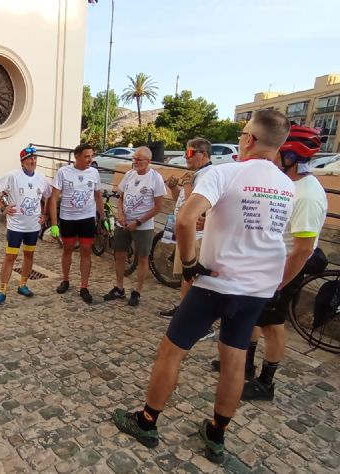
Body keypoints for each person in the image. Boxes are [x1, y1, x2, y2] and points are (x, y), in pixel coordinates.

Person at [112, 109, 295, 465]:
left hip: (216, 281)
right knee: (234, 361)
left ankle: (147, 421)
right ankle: (216, 435)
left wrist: (191, 264)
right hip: (256, 288)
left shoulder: (226, 173)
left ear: (250, 139)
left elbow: (184, 219)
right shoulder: (287, 186)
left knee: (172, 351)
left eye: (243, 133)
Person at [233, 126, 327, 401]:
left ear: (291, 158)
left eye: (277, 154)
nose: (272, 158)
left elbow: (303, 249)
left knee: (273, 325)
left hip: (285, 270)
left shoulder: (307, 195)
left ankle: (266, 382)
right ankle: (247, 366)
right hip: (267, 265)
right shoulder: (286, 184)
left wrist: (280, 283)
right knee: (254, 317)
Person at [103, 146, 165, 306]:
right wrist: (121, 215)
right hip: (123, 222)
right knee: (119, 254)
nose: (136, 162)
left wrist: (138, 222)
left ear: (148, 161)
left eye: (139, 159)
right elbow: (121, 198)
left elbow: (158, 207)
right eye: (134, 158)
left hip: (142, 226)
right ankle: (119, 287)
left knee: (143, 257)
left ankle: (137, 291)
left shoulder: (155, 178)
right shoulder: (130, 174)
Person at [0, 146, 52, 305]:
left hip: (33, 227)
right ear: (22, 162)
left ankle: (23, 285)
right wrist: (2, 208)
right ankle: (2, 290)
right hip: (16, 227)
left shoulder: (42, 178)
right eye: (29, 159)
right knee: (10, 257)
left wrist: (45, 214)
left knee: (29, 255)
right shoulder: (12, 176)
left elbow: (48, 196)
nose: (33, 161)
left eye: (35, 158)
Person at [159, 138, 213, 319]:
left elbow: (193, 206)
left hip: (196, 235)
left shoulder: (208, 175)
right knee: (187, 275)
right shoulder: (195, 174)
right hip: (186, 233)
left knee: (193, 276)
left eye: (189, 153)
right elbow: (180, 202)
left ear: (203, 154)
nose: (185, 157)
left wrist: (188, 185)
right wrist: (175, 188)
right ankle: (184, 309)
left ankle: (189, 315)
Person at [49, 144, 104, 304]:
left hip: (87, 218)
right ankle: (65, 280)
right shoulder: (63, 172)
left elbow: (98, 196)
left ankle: (84, 286)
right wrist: (54, 223)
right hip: (68, 218)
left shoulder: (94, 173)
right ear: (77, 156)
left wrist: (104, 217)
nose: (90, 159)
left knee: (86, 251)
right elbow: (53, 198)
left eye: (91, 156)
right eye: (87, 156)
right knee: (68, 249)